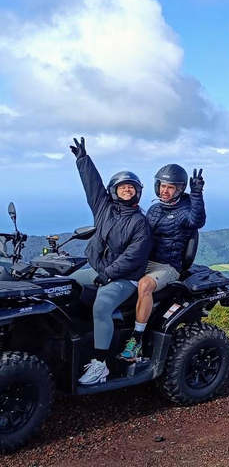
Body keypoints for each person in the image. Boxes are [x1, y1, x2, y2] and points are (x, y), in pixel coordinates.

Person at [68, 137, 152, 385]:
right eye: (122, 187)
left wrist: (108, 275)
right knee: (65, 286)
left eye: (131, 187)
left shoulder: (140, 223)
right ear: (114, 191)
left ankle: (100, 364)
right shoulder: (103, 208)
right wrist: (83, 159)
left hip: (126, 277)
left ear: (137, 192)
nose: (127, 189)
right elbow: (92, 186)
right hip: (97, 268)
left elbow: (133, 257)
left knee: (102, 306)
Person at [120, 164, 206, 361]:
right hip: (146, 261)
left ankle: (136, 340)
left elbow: (198, 220)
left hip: (168, 266)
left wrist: (197, 194)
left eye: (170, 187)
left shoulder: (185, 211)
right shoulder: (154, 209)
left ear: (179, 189)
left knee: (145, 285)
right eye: (162, 186)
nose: (164, 190)